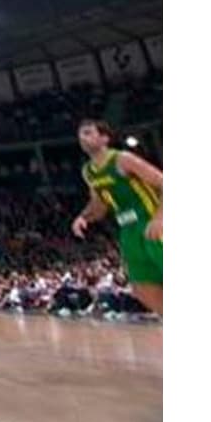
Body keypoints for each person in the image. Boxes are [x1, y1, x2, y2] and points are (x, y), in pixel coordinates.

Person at [72, 119, 163, 315]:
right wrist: (84, 217)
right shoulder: (88, 171)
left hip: (151, 222)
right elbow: (99, 205)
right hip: (128, 230)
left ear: (104, 138)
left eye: (88, 132)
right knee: (142, 287)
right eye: (80, 134)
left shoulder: (123, 159)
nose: (82, 137)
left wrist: (160, 218)